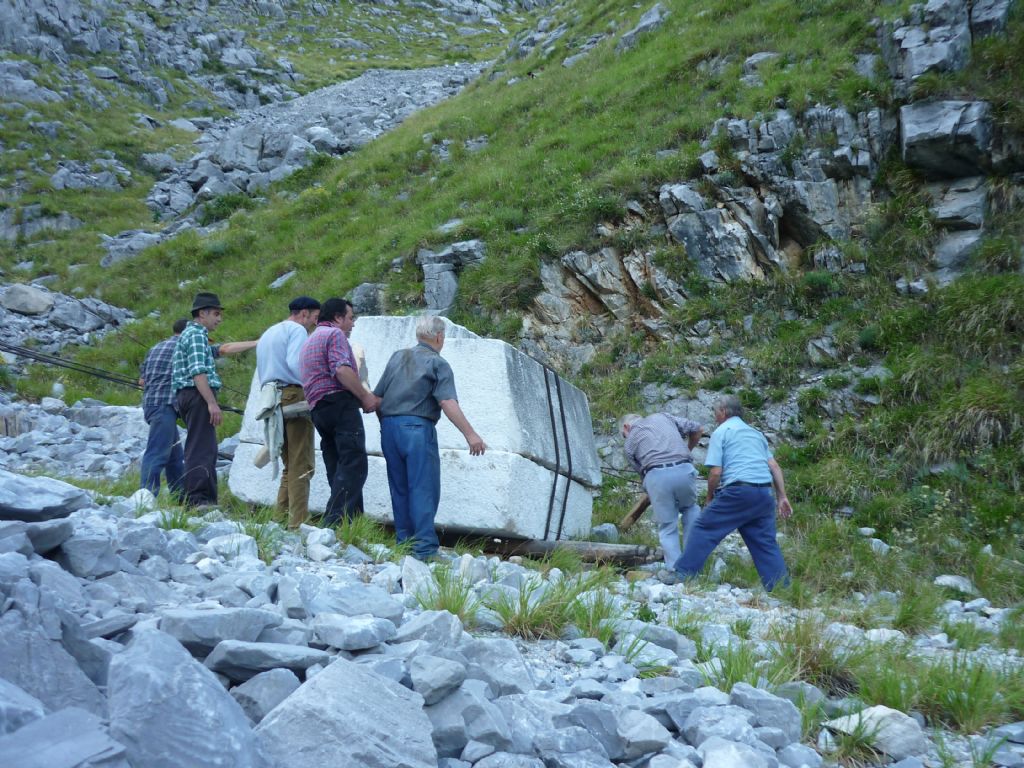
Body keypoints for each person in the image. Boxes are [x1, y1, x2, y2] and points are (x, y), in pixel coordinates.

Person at [373, 315, 486, 560]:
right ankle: (424, 548)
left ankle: (404, 545)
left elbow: (378, 399)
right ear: (439, 336)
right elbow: (446, 401)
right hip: (417, 428)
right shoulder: (438, 363)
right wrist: (470, 434)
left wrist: (388, 424)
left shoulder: (397, 357)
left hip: (390, 428)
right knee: (423, 488)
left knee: (399, 488)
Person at [670, 394, 793, 591]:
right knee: (765, 544)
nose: (714, 416)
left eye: (715, 412)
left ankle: (683, 573)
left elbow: (716, 472)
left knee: (703, 527)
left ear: (724, 412)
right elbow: (774, 466)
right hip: (763, 494)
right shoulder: (756, 433)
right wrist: (782, 497)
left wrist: (709, 498)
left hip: (739, 492)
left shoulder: (722, 431)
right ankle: (781, 589)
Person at [299, 298, 380, 525]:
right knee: (354, 462)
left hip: (318, 408)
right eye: (350, 318)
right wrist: (365, 397)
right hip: (339, 403)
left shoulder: (310, 340)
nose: (352, 324)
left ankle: (351, 524)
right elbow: (341, 370)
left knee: (337, 464)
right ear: (337, 318)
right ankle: (333, 522)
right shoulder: (335, 335)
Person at [171, 292, 256, 509]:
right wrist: (211, 402)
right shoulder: (197, 335)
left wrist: (257, 342)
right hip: (197, 395)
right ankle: (199, 500)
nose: (219, 319)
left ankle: (199, 497)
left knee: (201, 445)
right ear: (203, 313)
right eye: (216, 314)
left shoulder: (191, 335)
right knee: (202, 447)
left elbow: (222, 349)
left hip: (188, 396)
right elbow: (198, 372)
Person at [255, 296, 321, 529]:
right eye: (314, 317)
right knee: (302, 463)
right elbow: (296, 363)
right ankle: (298, 523)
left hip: (272, 397)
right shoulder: (297, 331)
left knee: (290, 462)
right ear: (304, 314)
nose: (314, 323)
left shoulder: (269, 333)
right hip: (293, 393)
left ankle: (279, 518)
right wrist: (313, 387)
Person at [621, 412, 704, 569]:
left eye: (623, 435)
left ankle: (675, 570)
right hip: (684, 470)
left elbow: (643, 474)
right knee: (691, 509)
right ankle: (693, 565)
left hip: (656, 476)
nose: (625, 437)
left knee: (667, 526)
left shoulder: (629, 443)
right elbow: (698, 428)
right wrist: (688, 449)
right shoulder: (664, 417)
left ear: (626, 427)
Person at [138, 318, 188, 498]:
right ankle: (146, 497)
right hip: (164, 407)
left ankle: (181, 497)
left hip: (152, 405)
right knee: (157, 452)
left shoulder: (155, 348)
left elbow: (142, 381)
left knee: (175, 457)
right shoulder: (183, 348)